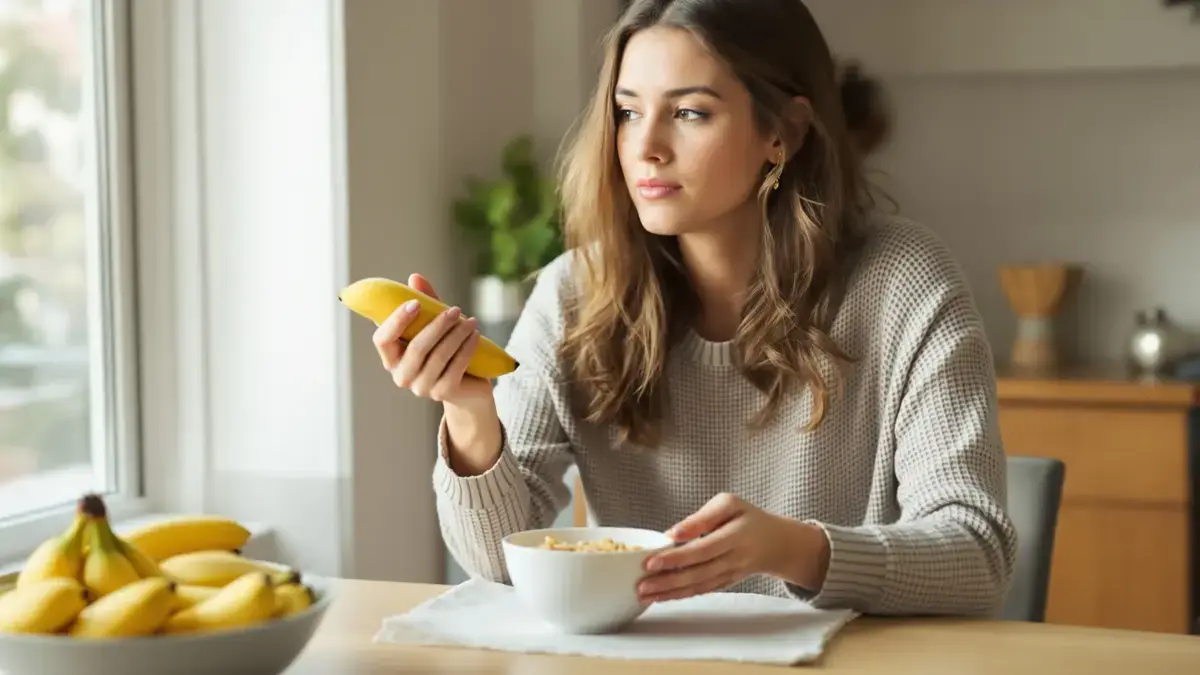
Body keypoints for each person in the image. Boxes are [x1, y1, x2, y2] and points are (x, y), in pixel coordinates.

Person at [372, 0, 1017, 617]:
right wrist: (469, 412)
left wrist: (791, 549)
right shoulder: (576, 292)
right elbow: (500, 563)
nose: (646, 146)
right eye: (628, 112)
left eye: (689, 113)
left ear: (784, 132)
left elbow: (978, 555)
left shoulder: (904, 281)